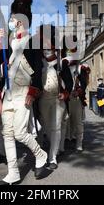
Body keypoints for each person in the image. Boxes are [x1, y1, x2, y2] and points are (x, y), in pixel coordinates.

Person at [0, 0, 50, 185]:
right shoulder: (8, 42)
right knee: (7, 133)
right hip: (9, 92)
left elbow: (37, 68)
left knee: (19, 133)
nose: (12, 21)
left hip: (23, 92)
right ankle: (13, 173)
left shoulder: (32, 41)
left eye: (14, 18)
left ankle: (40, 154)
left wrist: (34, 91)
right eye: (11, 18)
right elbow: (0, 67)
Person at [38, 25, 72, 170]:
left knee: (56, 127)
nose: (47, 48)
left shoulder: (61, 62)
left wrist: (65, 93)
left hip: (57, 99)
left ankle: (53, 158)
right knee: (46, 127)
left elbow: (69, 81)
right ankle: (52, 149)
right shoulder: (37, 61)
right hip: (43, 99)